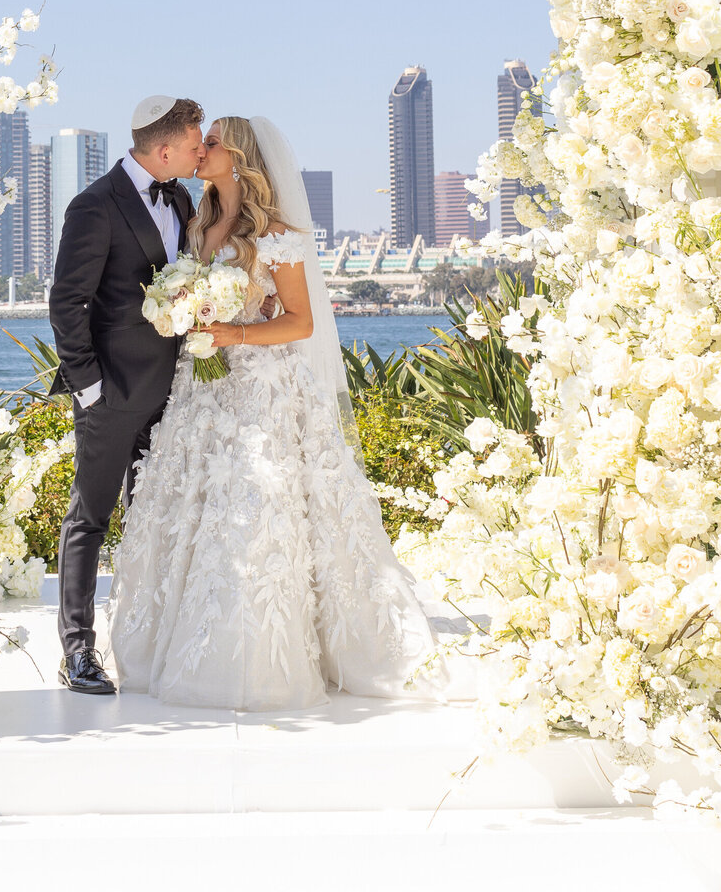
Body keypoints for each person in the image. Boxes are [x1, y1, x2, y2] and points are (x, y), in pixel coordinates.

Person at [108, 115, 440, 710]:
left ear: (239, 157)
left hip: (259, 390)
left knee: (255, 511)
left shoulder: (276, 235)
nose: (199, 149)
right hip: (200, 391)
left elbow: (301, 321)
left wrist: (233, 332)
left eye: (211, 143)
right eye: (198, 141)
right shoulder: (196, 225)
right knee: (196, 509)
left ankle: (264, 658)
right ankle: (178, 642)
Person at [47, 95, 204, 694]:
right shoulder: (93, 206)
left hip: (172, 396)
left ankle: (143, 640)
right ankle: (78, 652)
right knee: (90, 518)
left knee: (149, 520)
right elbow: (67, 303)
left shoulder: (182, 198)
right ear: (164, 150)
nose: (198, 153)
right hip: (111, 395)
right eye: (193, 145)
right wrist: (88, 389)